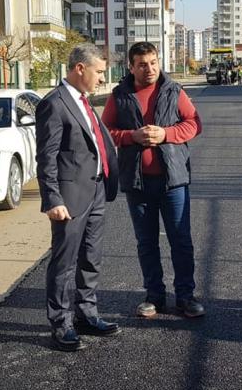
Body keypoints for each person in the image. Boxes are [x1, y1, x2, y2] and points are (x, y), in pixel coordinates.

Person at [101, 41, 205, 319]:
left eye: (153, 62)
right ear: (131, 67)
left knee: (181, 240)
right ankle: (154, 296)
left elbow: (194, 124)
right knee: (146, 242)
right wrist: (130, 137)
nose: (149, 69)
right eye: (143, 64)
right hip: (137, 183)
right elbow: (104, 131)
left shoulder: (173, 90)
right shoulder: (119, 95)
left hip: (174, 181)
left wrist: (166, 134)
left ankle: (185, 296)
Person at [36, 43, 120, 351]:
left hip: (97, 189)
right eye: (98, 72)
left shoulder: (84, 102)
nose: (102, 78)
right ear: (79, 68)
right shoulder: (54, 104)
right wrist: (53, 199)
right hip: (70, 196)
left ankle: (86, 314)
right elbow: (45, 157)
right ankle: (61, 323)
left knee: (91, 258)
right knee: (64, 262)